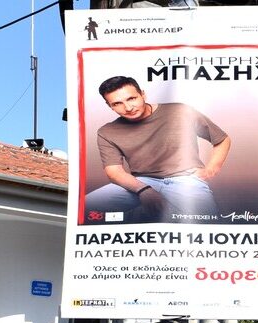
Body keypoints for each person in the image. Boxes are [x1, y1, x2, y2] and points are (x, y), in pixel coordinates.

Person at [83, 76, 231, 223]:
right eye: (117, 103)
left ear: (143, 94)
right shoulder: (107, 132)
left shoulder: (180, 111)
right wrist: (143, 190)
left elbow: (222, 139)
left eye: (131, 98)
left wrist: (211, 169)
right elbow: (114, 172)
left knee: (206, 224)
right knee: (85, 206)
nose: (128, 108)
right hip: (141, 181)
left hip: (185, 179)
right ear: (109, 106)